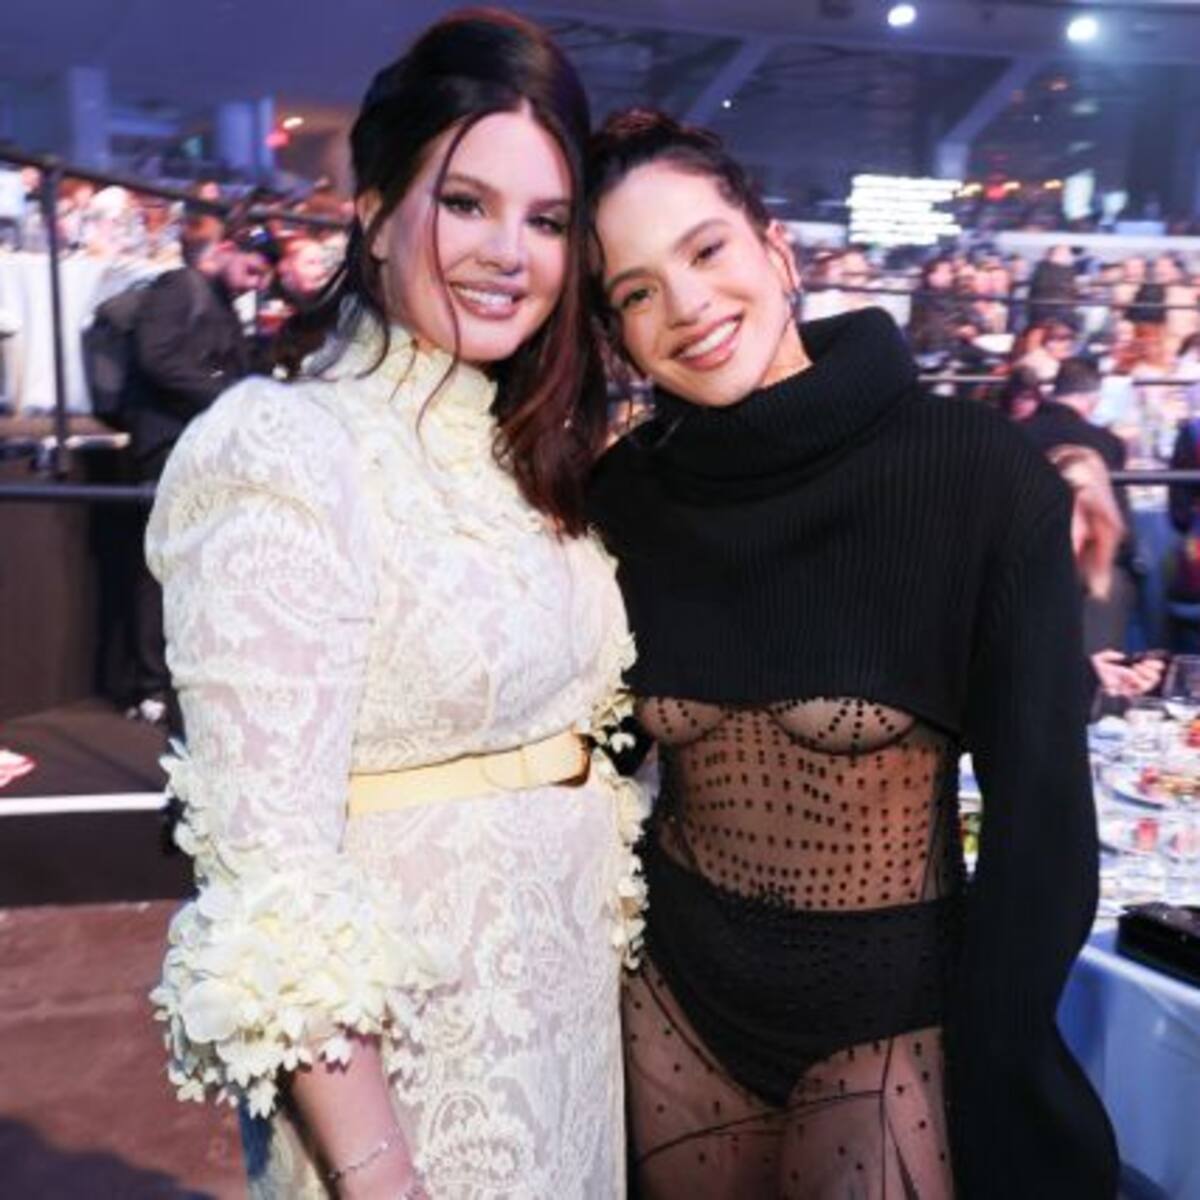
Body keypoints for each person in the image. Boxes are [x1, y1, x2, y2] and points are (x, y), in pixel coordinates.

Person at [147, 12, 644, 1197]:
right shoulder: (285, 450)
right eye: (466, 203)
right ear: (372, 210)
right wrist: (379, 1175)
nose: (509, 253)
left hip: (566, 1061)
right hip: (410, 1099)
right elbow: (272, 884)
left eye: (547, 220)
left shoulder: (530, 457)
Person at [585, 109, 1116, 1198]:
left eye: (706, 249)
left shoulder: (977, 477)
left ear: (776, 247)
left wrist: (994, 1058)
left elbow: (1045, 834)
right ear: (616, 331)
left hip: (892, 1032)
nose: (686, 306)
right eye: (636, 291)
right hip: (671, 1011)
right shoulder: (624, 499)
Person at [1047, 444, 1163, 700]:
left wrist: (1130, 681)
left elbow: (1101, 690)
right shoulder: (1004, 582)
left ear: (1093, 523)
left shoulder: (1105, 588)